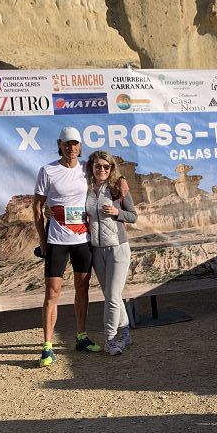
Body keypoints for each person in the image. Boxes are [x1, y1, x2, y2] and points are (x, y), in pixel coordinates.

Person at [32, 127, 101, 368]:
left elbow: (108, 173)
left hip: (82, 240)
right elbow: (37, 207)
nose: (72, 148)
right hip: (57, 241)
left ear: (80, 146)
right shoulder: (48, 170)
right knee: (52, 293)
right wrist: (42, 239)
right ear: (60, 144)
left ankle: (81, 337)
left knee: (82, 289)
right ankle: (47, 347)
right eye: (67, 143)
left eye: (76, 143)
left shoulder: (86, 169)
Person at [85, 151, 137, 355]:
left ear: (112, 168)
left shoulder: (117, 188)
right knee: (111, 295)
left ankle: (109, 339)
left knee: (113, 296)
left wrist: (118, 213)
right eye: (98, 166)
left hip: (118, 247)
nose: (102, 170)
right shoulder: (86, 189)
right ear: (92, 167)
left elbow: (133, 216)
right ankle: (125, 334)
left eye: (107, 167)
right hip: (97, 250)